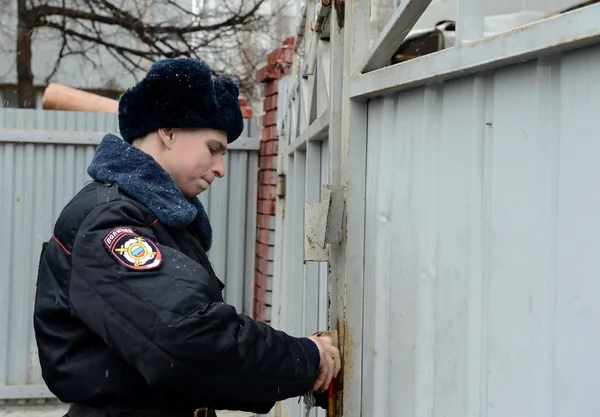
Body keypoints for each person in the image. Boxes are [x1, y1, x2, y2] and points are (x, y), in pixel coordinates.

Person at [33, 57, 340, 417]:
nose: (221, 169)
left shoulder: (149, 216)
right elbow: (187, 337)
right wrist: (305, 358)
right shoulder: (110, 221)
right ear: (169, 131)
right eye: (213, 149)